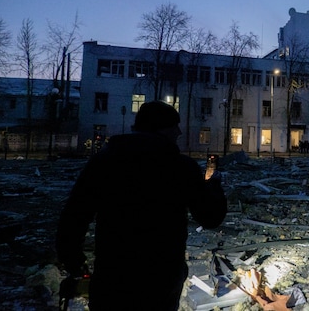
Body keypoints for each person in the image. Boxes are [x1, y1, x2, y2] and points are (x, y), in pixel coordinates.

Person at [56, 100, 227, 310]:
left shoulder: (104, 161)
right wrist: (214, 185)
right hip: (160, 277)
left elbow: (75, 214)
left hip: (112, 274)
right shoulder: (179, 166)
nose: (179, 132)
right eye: (175, 127)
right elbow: (210, 216)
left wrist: (73, 260)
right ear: (163, 128)